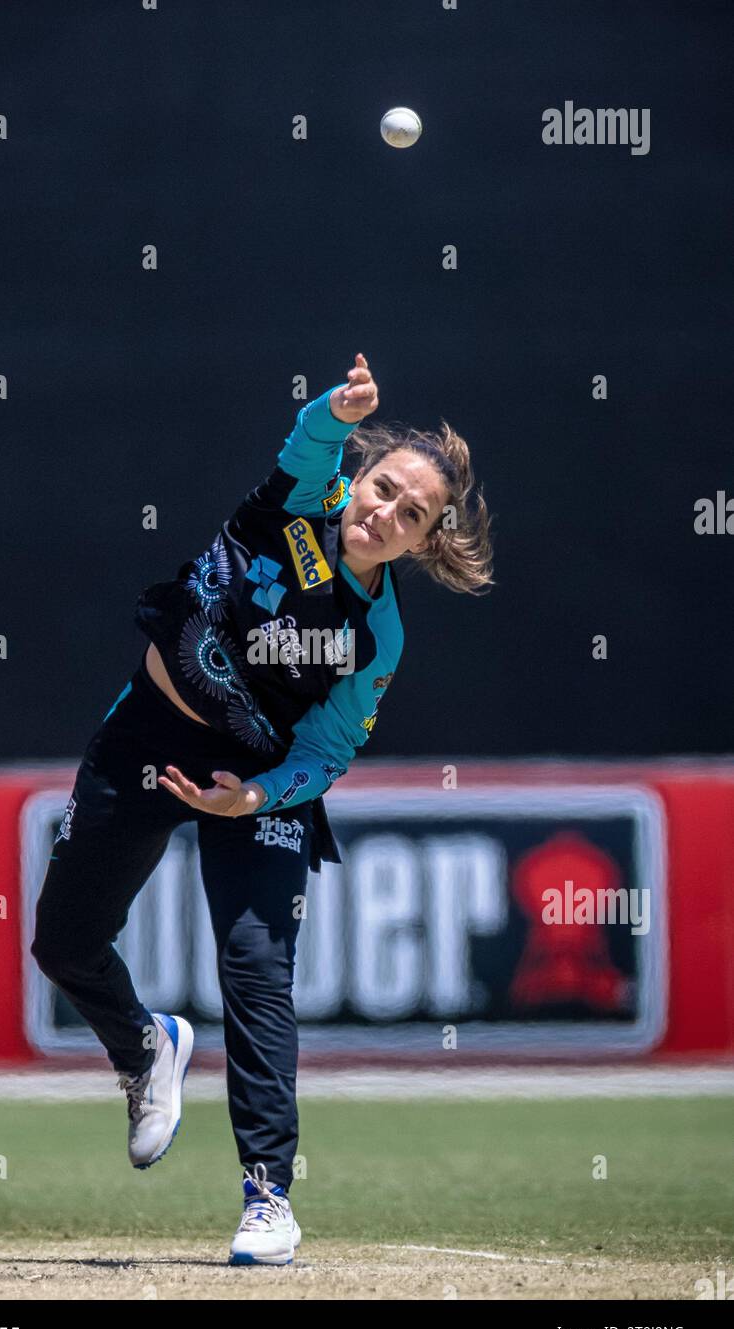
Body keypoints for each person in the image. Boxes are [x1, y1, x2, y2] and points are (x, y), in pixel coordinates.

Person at [31, 353, 493, 1266]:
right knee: (62, 942)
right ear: (354, 477)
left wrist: (253, 797)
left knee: (255, 969)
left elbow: (326, 751)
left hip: (257, 776)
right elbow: (309, 441)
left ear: (423, 541)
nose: (384, 514)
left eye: (412, 515)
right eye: (382, 488)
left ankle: (268, 1199)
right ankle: (144, 1048)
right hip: (151, 738)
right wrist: (338, 406)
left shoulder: (377, 634)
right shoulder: (298, 503)